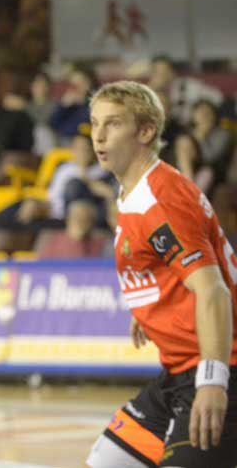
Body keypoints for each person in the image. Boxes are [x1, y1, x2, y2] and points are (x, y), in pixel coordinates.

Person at [85, 81, 237, 467]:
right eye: (94, 123)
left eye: (113, 124)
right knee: (107, 462)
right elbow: (164, 264)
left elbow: (213, 291)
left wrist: (214, 382)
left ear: (146, 132)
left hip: (218, 368)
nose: (98, 135)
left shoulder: (160, 198)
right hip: (179, 371)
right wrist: (150, 309)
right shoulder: (136, 190)